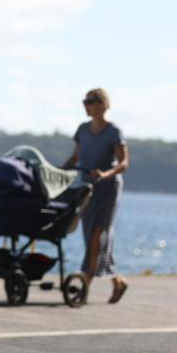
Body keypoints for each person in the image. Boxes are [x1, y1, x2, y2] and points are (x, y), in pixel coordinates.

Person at [62, 88, 129, 303]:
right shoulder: (82, 129)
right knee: (93, 236)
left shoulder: (113, 131)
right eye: (85, 102)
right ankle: (118, 281)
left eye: (89, 102)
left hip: (108, 188)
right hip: (86, 188)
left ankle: (84, 286)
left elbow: (124, 163)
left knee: (96, 236)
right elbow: (75, 157)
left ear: (101, 104)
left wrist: (105, 173)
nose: (86, 106)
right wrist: (58, 171)